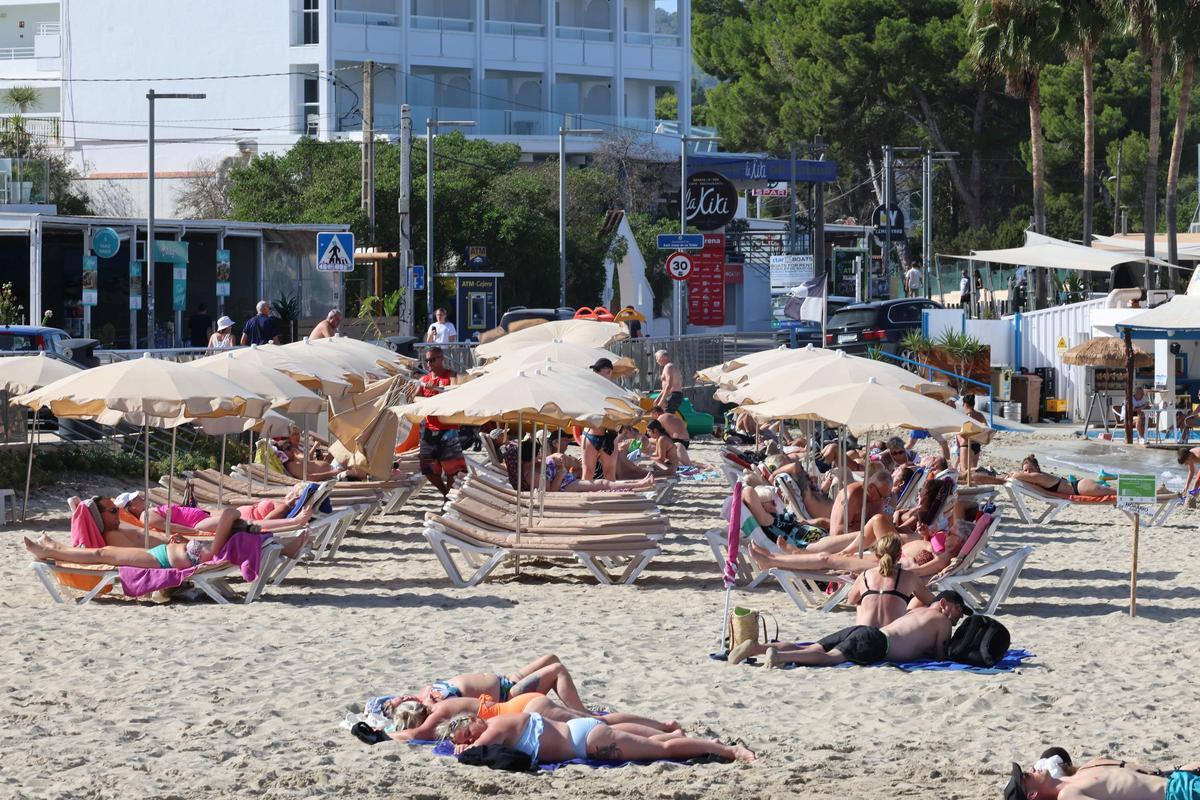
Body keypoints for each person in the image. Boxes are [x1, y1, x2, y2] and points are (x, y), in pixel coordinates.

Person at [729, 590, 971, 668]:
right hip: (878, 643)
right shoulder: (941, 621)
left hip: (865, 631)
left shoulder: (916, 610)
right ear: (944, 603)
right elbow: (941, 657)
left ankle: (756, 647)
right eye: (959, 610)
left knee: (812, 647)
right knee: (829, 658)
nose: (959, 617)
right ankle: (779, 656)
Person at [23, 510, 309, 570]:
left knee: (103, 554)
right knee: (104, 552)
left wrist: (238, 522)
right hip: (165, 551)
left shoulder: (218, 547)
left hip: (160, 560)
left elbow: (229, 515)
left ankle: (53, 552)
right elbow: (230, 518)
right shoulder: (222, 543)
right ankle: (55, 548)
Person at [443, 710, 755, 765]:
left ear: (475, 720)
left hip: (587, 741)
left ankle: (731, 751)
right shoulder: (498, 726)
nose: (469, 740)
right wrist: (465, 744)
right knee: (662, 743)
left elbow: (474, 750)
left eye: (468, 733)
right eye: (465, 738)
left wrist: (463, 748)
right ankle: (712, 746)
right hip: (584, 732)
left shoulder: (495, 727)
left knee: (665, 750)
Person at [378, 692, 680, 744]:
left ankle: (663, 730)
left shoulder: (440, 714)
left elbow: (416, 735)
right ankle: (661, 728)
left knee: (600, 723)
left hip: (529, 711)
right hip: (523, 705)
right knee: (599, 720)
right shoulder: (440, 704)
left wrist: (383, 735)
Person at [1004, 746, 1200, 800]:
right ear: (1032, 794)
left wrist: (1179, 772)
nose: (1031, 769)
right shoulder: (1067, 795)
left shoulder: (1076, 775)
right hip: (1178, 794)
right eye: (1026, 776)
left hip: (1178, 780)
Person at [415, 654, 588, 711]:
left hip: (506, 681)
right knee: (558, 669)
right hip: (509, 697)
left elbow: (424, 691)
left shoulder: (425, 694)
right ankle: (582, 712)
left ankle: (576, 706)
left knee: (551, 658)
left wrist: (418, 697)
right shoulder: (437, 706)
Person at [115, 487, 316, 534]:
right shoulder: (145, 515)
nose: (142, 498)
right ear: (132, 506)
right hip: (197, 524)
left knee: (244, 518)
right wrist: (194, 532)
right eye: (137, 498)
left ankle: (293, 516)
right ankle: (294, 521)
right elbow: (166, 526)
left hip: (201, 517)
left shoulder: (147, 511)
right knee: (247, 524)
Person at [845, 533, 935, 627]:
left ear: (876, 555)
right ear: (899, 556)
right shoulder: (910, 577)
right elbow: (932, 601)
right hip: (891, 633)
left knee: (860, 602)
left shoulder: (864, 576)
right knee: (919, 601)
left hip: (864, 633)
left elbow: (851, 600)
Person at [417, 346, 467, 497]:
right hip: (429, 429)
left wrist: (438, 390)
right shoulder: (424, 380)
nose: (428, 363)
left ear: (441, 359)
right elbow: (415, 399)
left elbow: (456, 393)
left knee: (453, 470)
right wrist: (425, 393)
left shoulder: (450, 375)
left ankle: (448, 498)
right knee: (427, 469)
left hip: (448, 429)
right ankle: (446, 495)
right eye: (426, 360)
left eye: (432, 360)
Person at [1009, 454, 1115, 498]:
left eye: (1030, 469)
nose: (1028, 472)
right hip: (1080, 486)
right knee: (1115, 492)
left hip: (1080, 488)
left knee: (1117, 493)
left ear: (1037, 468)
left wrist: (1010, 475)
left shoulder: (1038, 476)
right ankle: (1104, 480)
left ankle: (1107, 480)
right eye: (1025, 470)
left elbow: (1016, 475)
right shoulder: (1037, 477)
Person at [582, 359, 619, 480]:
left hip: (609, 435)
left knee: (609, 471)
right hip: (591, 433)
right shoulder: (589, 389)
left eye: (598, 370)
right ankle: (586, 493)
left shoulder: (614, 390)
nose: (595, 372)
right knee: (588, 471)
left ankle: (610, 492)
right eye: (595, 370)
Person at [656, 349, 684, 414]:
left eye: (657, 358)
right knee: (665, 416)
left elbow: (669, 385)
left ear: (663, 357)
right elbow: (665, 387)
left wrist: (661, 401)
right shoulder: (670, 366)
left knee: (666, 416)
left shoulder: (668, 367)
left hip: (673, 395)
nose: (657, 361)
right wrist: (658, 399)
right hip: (673, 395)